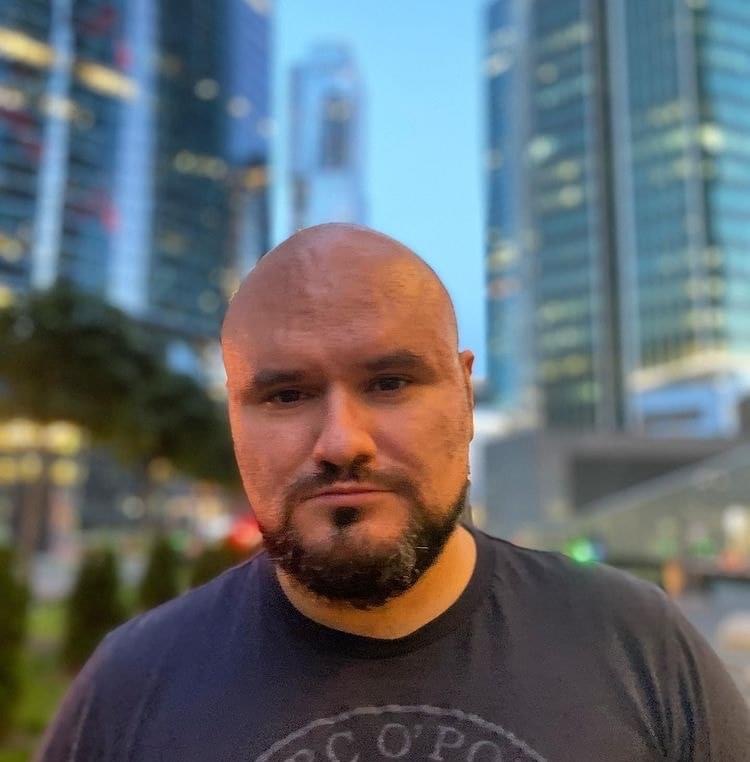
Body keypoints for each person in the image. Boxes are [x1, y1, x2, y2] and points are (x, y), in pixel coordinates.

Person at [38, 224, 749, 761]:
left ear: (465, 395)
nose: (342, 441)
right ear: (234, 417)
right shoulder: (128, 689)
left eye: (389, 383)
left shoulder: (639, 646)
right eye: (286, 395)